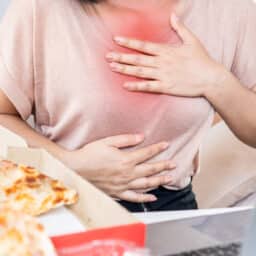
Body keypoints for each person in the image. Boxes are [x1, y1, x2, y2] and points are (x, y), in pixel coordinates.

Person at [0, 0, 255, 212]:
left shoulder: (231, 8)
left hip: (173, 208)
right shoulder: (40, 9)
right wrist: (70, 165)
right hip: (67, 203)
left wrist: (216, 81)